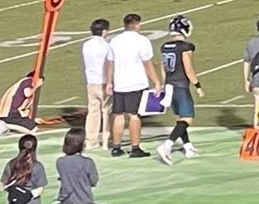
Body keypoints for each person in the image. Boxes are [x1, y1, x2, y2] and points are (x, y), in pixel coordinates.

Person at [107, 13, 160, 157]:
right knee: (134, 115)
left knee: (118, 115)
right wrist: (156, 81)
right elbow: (147, 63)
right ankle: (135, 147)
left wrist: (109, 82)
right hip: (136, 83)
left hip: (119, 83)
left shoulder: (115, 40)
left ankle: (116, 147)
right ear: (136, 24)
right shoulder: (142, 40)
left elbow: (110, 63)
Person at [154, 14, 201, 164]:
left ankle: (188, 147)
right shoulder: (186, 47)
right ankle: (167, 146)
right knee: (187, 118)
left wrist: (164, 84)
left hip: (169, 84)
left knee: (181, 117)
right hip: (180, 86)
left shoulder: (165, 46)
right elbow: (188, 69)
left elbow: (163, 68)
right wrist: (197, 85)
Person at [81, 18, 112, 147]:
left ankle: (91, 140)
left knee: (93, 111)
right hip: (103, 81)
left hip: (91, 81)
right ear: (104, 31)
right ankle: (106, 139)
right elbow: (109, 64)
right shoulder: (106, 46)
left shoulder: (86, 44)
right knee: (107, 111)